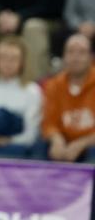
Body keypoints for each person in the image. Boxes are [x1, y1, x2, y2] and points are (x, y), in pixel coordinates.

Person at [41, 33, 95, 162]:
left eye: (81, 52)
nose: (75, 58)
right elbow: (48, 123)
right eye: (70, 52)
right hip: (63, 143)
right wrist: (56, 139)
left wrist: (81, 144)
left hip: (91, 145)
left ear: (91, 57)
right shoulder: (52, 85)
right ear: (64, 56)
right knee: (40, 149)